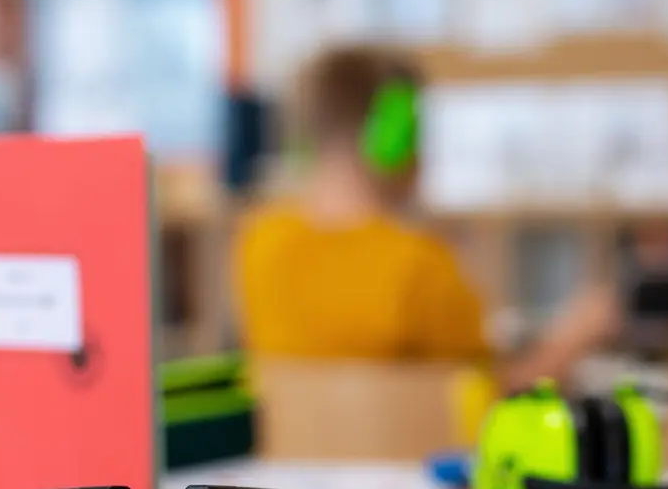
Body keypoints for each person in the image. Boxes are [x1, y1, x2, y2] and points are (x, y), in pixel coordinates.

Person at [232, 45, 618, 390]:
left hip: (294, 464)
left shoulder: (259, 242)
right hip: (412, 467)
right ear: (394, 138)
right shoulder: (418, 265)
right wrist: (572, 339)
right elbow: (493, 399)